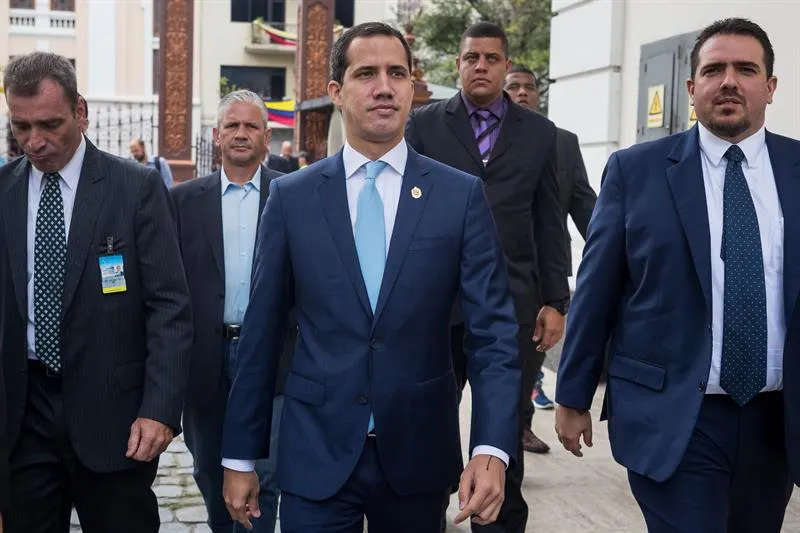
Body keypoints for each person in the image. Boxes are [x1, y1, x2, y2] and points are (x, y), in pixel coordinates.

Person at [220, 22, 520, 533]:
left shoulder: (459, 196)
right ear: (337, 91)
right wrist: (240, 456)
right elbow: (262, 333)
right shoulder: (293, 198)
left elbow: (493, 334)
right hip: (316, 452)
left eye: (396, 73)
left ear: (411, 87)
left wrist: (491, 448)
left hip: (418, 453)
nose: (384, 87)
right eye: (366, 74)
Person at [555, 18, 800, 533]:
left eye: (746, 69)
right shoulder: (635, 171)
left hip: (777, 420)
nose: (728, 81)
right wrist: (573, 394)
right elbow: (597, 289)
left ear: (771, 86)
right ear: (692, 88)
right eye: (713, 70)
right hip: (675, 416)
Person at [0, 51, 193, 533]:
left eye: (50, 124)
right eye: (21, 126)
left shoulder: (136, 188)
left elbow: (169, 306)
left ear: (80, 111)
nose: (34, 141)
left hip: (115, 419)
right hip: (23, 417)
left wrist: (159, 409)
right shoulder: (3, 190)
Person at [405, 21, 570, 533]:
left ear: (506, 65)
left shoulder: (539, 133)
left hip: (513, 306)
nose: (481, 66)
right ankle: (424, 514)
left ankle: (497, 520)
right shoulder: (424, 126)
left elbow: (549, 219)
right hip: (436, 306)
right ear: (458, 64)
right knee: (428, 424)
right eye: (471, 57)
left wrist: (556, 300)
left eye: (491, 58)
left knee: (504, 427)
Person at [171, 89, 287, 533]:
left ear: (266, 137)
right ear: (217, 135)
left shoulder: (291, 194)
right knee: (209, 468)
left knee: (267, 474)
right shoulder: (182, 200)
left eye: (251, 126)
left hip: (273, 355)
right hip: (207, 356)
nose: (241, 133)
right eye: (232, 125)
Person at [503, 65, 597, 454]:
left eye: (530, 87)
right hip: (483, 275)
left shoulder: (562, 143)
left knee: (526, 367)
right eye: (514, 87)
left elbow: (585, 206)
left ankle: (519, 431)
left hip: (539, 279)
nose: (523, 93)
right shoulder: (481, 139)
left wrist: (618, 251)